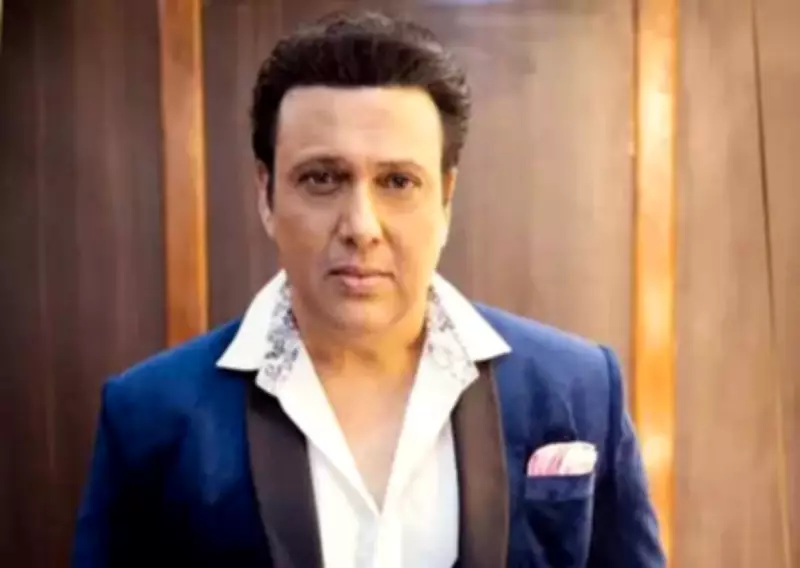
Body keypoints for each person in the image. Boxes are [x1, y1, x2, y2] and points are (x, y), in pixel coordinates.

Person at [73, 10, 665, 568]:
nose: (361, 225)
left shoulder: (577, 389)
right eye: (322, 178)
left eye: (397, 181)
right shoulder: (151, 416)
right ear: (266, 195)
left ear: (445, 198)